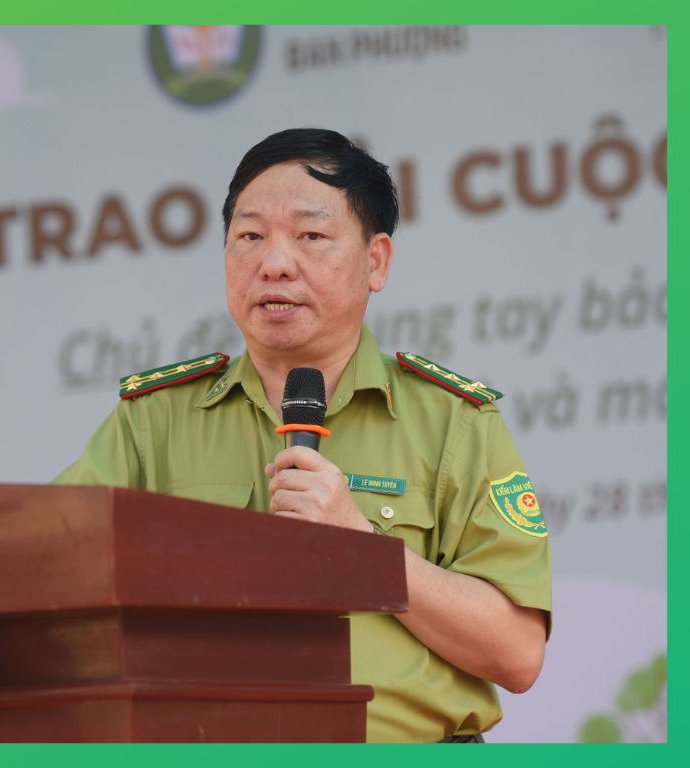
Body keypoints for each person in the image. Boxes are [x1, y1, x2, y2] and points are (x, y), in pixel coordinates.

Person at [54, 128, 551, 743]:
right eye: (250, 237)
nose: (275, 262)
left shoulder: (452, 420)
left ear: (376, 261)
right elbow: (49, 575)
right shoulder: (152, 423)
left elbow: (518, 655)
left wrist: (362, 547)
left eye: (311, 236)